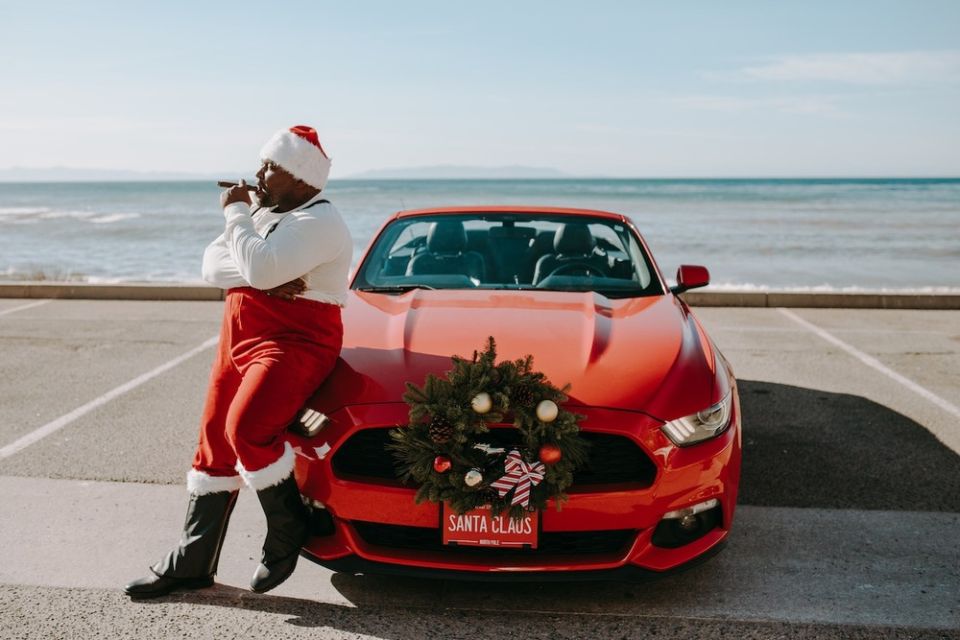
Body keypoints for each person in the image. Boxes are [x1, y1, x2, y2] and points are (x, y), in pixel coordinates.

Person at [124, 125, 352, 598]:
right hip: (239, 336)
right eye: (261, 164)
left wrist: (237, 217)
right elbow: (213, 265)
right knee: (212, 445)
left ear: (302, 178)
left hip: (294, 340)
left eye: (270, 167)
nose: (257, 174)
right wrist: (259, 270)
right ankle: (192, 560)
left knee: (246, 428)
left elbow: (260, 266)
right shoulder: (266, 214)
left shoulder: (321, 222)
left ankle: (290, 528)